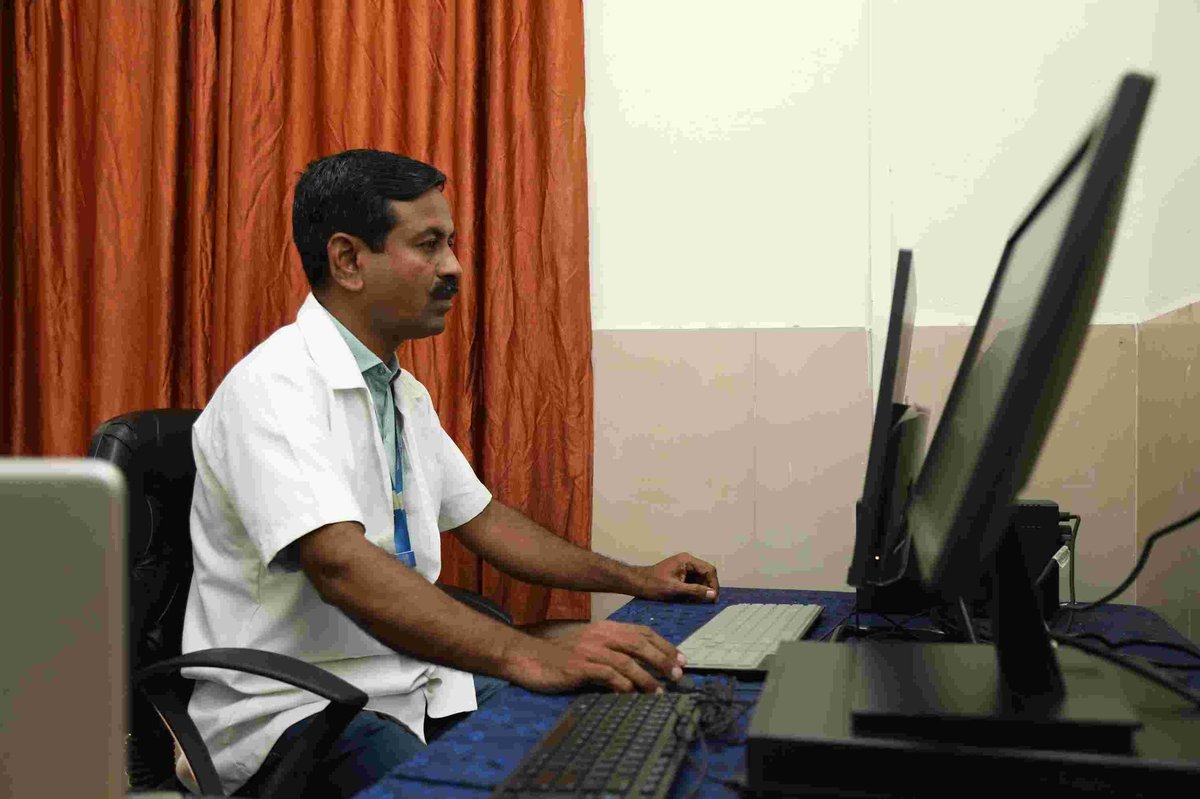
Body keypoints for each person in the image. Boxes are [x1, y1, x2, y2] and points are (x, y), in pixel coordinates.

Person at [179, 149, 721, 797]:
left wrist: (636, 578)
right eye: (429, 245)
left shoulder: (401, 394)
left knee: (606, 719)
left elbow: (488, 522)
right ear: (349, 259)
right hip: (294, 707)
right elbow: (340, 563)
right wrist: (526, 652)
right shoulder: (274, 386)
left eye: (452, 243)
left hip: (404, 678)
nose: (454, 267)